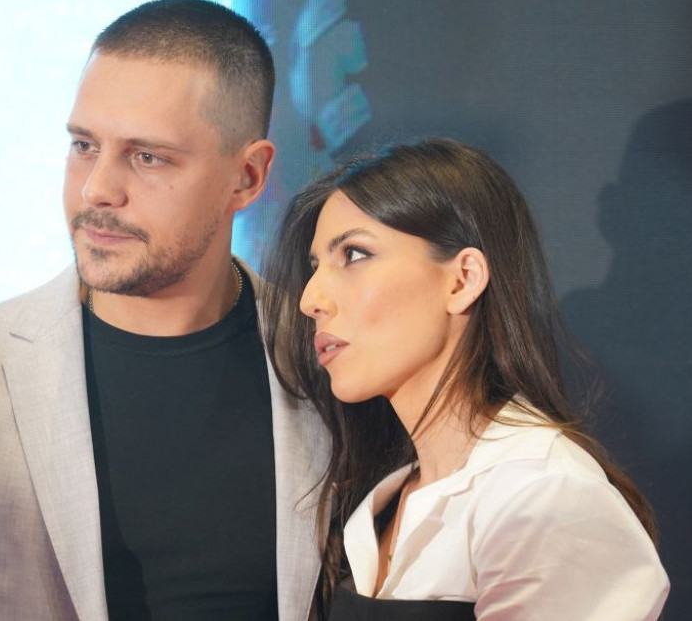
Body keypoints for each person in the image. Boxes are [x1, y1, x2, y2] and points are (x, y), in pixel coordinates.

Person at [0, 0, 330, 620]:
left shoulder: (331, 363)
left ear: (247, 176)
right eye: (83, 145)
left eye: (147, 156)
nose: (98, 188)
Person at [261, 139, 669, 620]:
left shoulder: (543, 495)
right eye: (315, 267)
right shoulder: (382, 501)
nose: (310, 299)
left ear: (463, 279)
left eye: (354, 254)